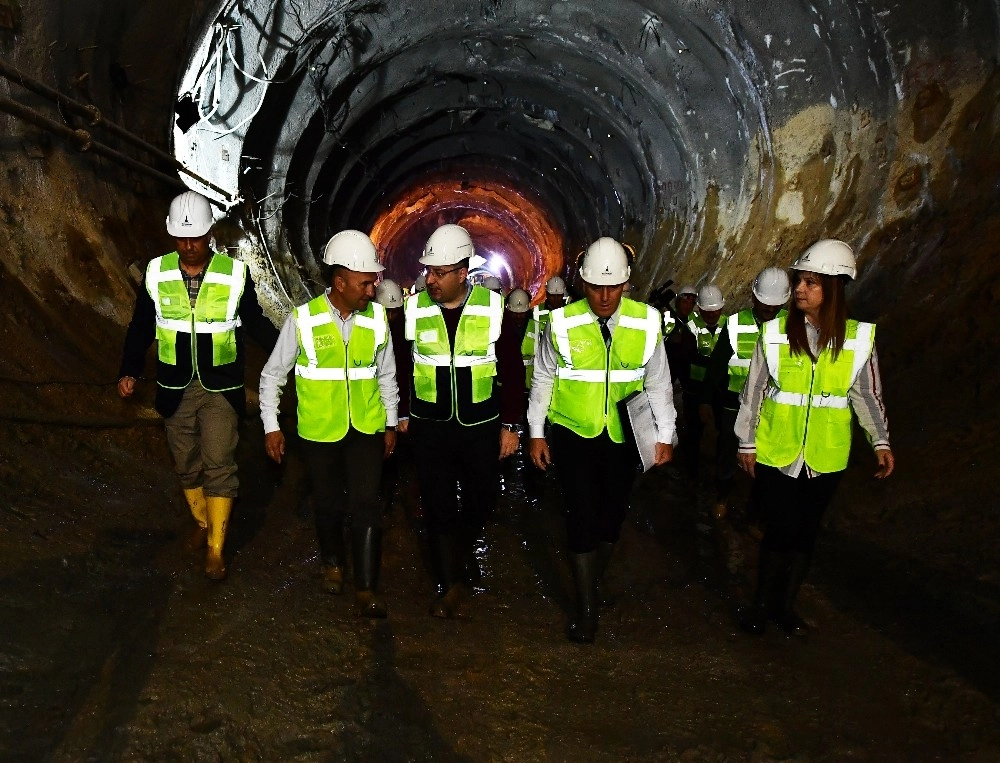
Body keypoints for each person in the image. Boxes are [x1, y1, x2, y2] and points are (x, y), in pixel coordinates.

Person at [735, 240, 894, 636]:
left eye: (811, 282)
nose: (800, 289)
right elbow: (753, 391)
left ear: (834, 289)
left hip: (827, 453)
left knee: (806, 532)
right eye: (799, 281)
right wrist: (747, 442)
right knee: (779, 530)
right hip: (777, 449)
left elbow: (867, 395)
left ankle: (784, 608)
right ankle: (760, 607)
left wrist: (881, 441)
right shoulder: (774, 334)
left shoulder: (859, 339)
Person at [118, 191, 278, 580]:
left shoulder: (233, 274)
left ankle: (216, 550)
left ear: (210, 234)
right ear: (173, 237)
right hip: (174, 385)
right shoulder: (157, 273)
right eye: (182, 239)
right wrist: (129, 369)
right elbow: (141, 326)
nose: (190, 246)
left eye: (197, 238)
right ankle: (203, 522)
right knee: (186, 463)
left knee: (219, 462)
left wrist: (288, 350)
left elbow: (255, 323)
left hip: (220, 386)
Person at [528, 237, 676, 644]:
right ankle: (587, 610)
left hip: (624, 436)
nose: (605, 295)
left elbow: (659, 383)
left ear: (627, 284)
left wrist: (666, 435)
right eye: (596, 287)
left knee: (611, 519)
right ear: (582, 284)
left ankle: (592, 582)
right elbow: (542, 379)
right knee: (580, 515)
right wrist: (537, 433)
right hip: (574, 433)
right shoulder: (560, 323)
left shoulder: (646, 322)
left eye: (613, 287)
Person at [259, 230, 398, 618]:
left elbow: (386, 375)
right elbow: (273, 375)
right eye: (365, 282)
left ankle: (367, 587)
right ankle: (333, 564)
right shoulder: (303, 320)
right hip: (320, 432)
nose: (372, 289)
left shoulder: (377, 319)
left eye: (373, 282)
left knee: (367, 504)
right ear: (340, 282)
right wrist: (272, 425)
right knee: (329, 504)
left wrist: (389, 422)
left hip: (365, 428)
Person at [401, 223, 524, 618]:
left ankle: (462, 546)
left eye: (439, 273)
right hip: (430, 425)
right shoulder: (414, 307)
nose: (430, 280)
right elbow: (402, 365)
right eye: (428, 272)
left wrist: (510, 425)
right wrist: (401, 413)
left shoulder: (492, 307)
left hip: (478, 425)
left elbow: (510, 369)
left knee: (483, 496)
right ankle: (450, 583)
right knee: (437, 503)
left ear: (462, 272)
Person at [704, 268, 790, 519]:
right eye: (764, 302)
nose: (769, 308)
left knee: (766, 460)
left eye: (774, 304)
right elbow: (717, 364)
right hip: (735, 404)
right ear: (753, 297)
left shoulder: (792, 324)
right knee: (728, 452)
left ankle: (757, 509)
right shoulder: (735, 323)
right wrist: (706, 400)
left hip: (772, 405)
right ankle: (722, 497)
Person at [680, 284, 728, 473]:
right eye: (707, 310)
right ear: (699, 308)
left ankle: (720, 469)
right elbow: (685, 356)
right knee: (693, 430)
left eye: (715, 310)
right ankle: (689, 470)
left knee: (723, 431)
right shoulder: (691, 325)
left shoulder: (728, 325)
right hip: (694, 390)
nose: (711, 314)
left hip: (720, 389)